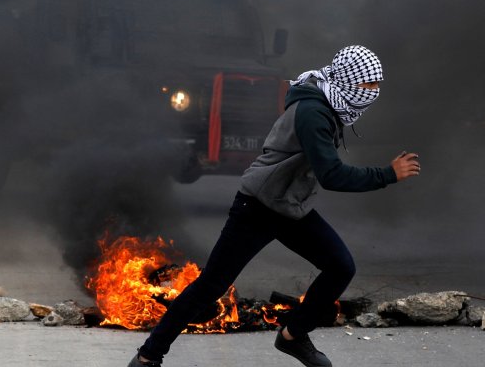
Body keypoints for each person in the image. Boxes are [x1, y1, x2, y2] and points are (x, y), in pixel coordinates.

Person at [129, 45, 421, 367]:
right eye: (368, 85)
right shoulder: (314, 112)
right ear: (348, 80)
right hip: (258, 207)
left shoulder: (329, 103)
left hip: (289, 206)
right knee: (210, 286)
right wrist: (387, 174)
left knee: (340, 266)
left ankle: (292, 337)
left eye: (377, 85)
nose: (373, 93)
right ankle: (147, 357)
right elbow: (332, 175)